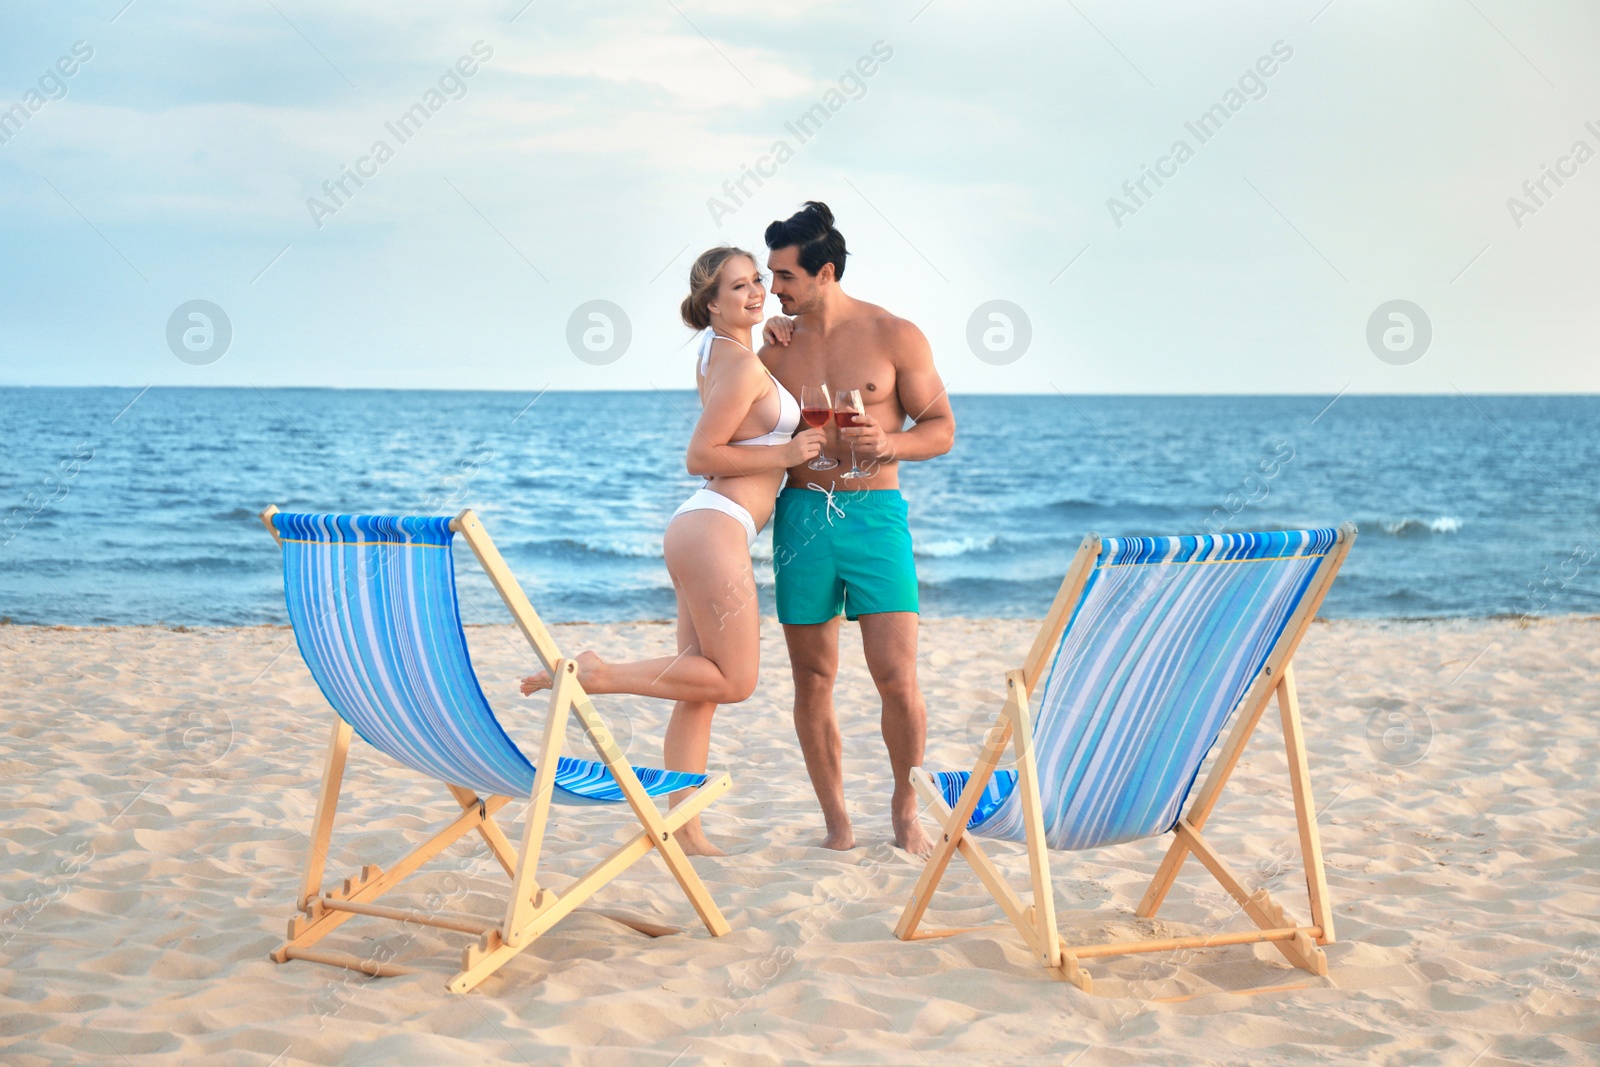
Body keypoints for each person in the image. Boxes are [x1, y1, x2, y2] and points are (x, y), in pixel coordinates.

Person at [521, 247, 826, 856]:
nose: (755, 291)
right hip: (717, 525)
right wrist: (787, 456)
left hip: (705, 528)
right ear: (710, 302)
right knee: (735, 681)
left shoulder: (724, 353)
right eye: (738, 286)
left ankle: (686, 833)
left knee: (699, 688)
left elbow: (738, 393)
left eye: (757, 281)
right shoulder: (739, 365)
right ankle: (598, 673)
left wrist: (763, 332)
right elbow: (701, 455)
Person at [757, 201, 955, 856]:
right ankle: (837, 820)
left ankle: (905, 810)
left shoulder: (896, 335)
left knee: (897, 676)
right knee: (813, 678)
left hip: (875, 515)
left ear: (825, 272)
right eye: (770, 275)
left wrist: (890, 441)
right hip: (803, 514)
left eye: (784, 276)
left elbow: (941, 431)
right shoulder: (775, 349)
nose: (773, 290)